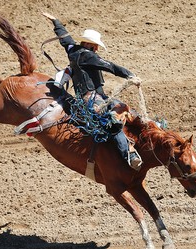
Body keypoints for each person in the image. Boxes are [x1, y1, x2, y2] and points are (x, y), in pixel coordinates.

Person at [42, 12, 142, 171]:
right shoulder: (88, 56)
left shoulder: (72, 50)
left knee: (123, 109)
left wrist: (56, 21)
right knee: (113, 121)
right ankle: (128, 153)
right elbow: (110, 66)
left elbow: (64, 38)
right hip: (94, 100)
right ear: (87, 44)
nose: (96, 49)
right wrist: (130, 75)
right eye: (95, 46)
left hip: (89, 99)